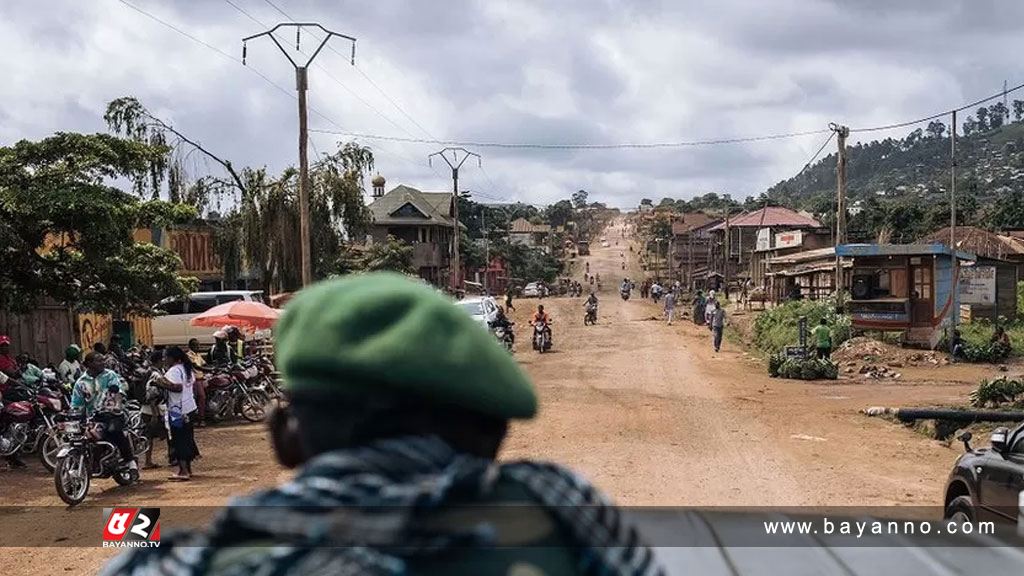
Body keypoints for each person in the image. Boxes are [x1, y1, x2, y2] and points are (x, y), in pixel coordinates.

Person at [102, 273, 660, 575]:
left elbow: (132, 550)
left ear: (287, 436)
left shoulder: (192, 560)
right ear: (489, 437)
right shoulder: (556, 507)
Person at [71, 352, 137, 473]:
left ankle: (130, 461)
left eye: (103, 360)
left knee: (114, 430)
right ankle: (94, 463)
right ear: (89, 364)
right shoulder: (80, 383)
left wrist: (117, 405)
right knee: (84, 436)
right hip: (94, 417)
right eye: (99, 361)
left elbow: (118, 392)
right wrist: (75, 415)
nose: (103, 363)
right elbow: (77, 404)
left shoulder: (110, 375)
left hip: (113, 414)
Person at [149, 346, 199, 481]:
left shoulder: (174, 371)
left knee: (178, 440)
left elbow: (177, 388)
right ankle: (188, 468)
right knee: (187, 438)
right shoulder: (186, 368)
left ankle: (183, 471)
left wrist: (159, 383)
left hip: (177, 410)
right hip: (189, 407)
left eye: (166, 357)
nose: (164, 359)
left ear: (173, 358)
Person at [186, 338, 208, 423]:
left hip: (201, 379)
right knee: (201, 397)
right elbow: (196, 366)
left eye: (198, 345)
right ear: (191, 346)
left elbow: (204, 363)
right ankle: (200, 418)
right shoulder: (189, 355)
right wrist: (209, 369)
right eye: (196, 345)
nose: (198, 347)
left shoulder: (198, 355)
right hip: (195, 380)